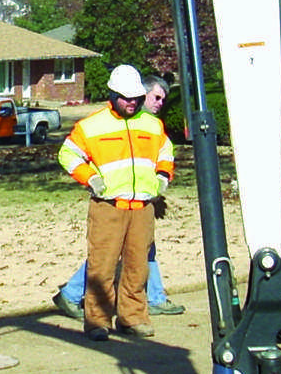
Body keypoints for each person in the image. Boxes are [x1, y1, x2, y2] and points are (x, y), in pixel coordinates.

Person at [51, 74, 184, 320]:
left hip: (142, 206)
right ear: (114, 95)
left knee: (139, 260)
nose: (158, 103)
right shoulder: (93, 125)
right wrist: (91, 178)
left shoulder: (152, 126)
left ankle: (142, 309)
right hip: (109, 205)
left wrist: (162, 180)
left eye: (138, 98)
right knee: (104, 260)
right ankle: (87, 309)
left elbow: (165, 152)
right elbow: (68, 154)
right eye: (154, 97)